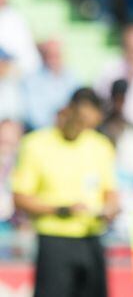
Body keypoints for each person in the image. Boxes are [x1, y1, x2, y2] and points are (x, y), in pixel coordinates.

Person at [11, 88, 118, 297]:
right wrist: (61, 209)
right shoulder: (35, 144)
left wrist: (111, 209)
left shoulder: (100, 146)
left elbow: (110, 192)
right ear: (66, 112)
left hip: (91, 238)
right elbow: (20, 198)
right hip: (54, 239)